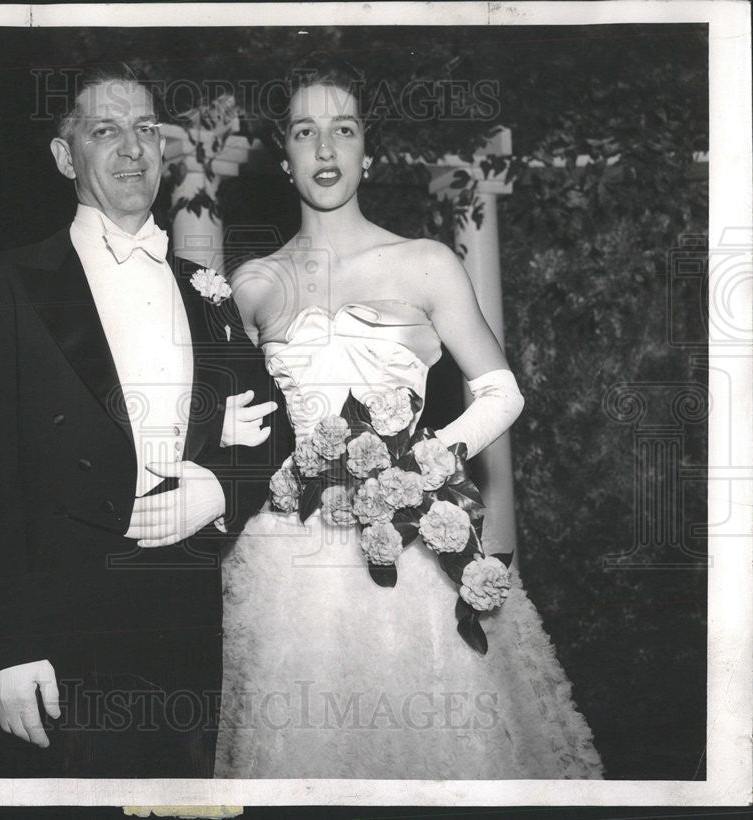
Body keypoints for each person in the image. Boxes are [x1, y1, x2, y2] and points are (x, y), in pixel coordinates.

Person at [214, 55, 604, 779]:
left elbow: (501, 392)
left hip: (411, 542)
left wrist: (424, 462)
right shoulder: (251, 285)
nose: (326, 150)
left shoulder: (425, 263)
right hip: (286, 556)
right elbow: (238, 423)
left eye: (344, 129)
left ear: (368, 146)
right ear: (283, 152)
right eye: (305, 131)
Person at [0, 63, 290, 778]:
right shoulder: (3, 284)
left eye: (145, 130)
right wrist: (7, 648)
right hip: (60, 625)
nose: (132, 149)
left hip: (183, 619)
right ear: (67, 158)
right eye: (106, 131)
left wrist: (221, 487)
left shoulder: (203, 288)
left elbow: (276, 421)